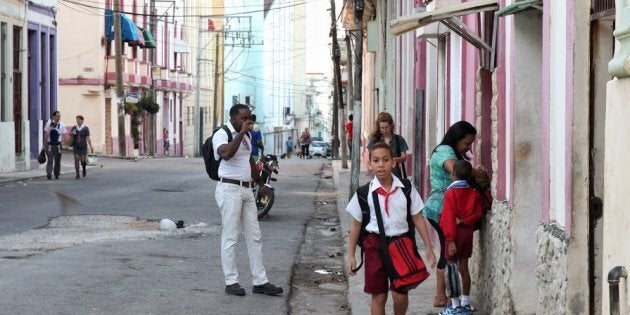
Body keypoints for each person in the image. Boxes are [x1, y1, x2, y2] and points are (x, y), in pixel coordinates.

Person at [346, 142, 437, 315]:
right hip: (374, 245)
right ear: (370, 164)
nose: (381, 164)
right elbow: (356, 223)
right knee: (379, 297)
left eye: (385, 160)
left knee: (400, 295)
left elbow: (417, 217)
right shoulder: (364, 193)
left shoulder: (406, 189)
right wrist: (351, 255)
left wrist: (428, 247)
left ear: (393, 162)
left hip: (401, 244)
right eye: (376, 160)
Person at [212, 104, 283, 297]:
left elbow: (249, 161)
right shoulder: (222, 134)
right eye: (244, 119)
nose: (248, 122)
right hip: (229, 189)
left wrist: (261, 183)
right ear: (233, 118)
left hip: (246, 190)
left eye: (249, 118)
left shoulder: (247, 136)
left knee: (255, 236)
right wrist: (240, 133)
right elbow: (226, 154)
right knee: (230, 237)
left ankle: (260, 281)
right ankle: (231, 281)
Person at [422, 120, 488, 308]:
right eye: (466, 143)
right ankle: (440, 295)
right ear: (456, 138)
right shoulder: (445, 152)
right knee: (446, 251)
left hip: (448, 208)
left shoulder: (453, 151)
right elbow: (455, 169)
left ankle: (447, 296)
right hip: (441, 208)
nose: (468, 147)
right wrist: (477, 173)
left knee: (450, 252)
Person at [438, 160, 484, 315]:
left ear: (453, 174)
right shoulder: (474, 193)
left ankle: (455, 304)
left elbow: (448, 218)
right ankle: (465, 301)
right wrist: (465, 221)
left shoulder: (450, 193)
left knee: (451, 268)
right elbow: (478, 214)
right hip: (467, 233)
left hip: (454, 234)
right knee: (464, 267)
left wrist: (450, 240)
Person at [367, 112, 410, 179]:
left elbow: (404, 157)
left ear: (391, 126)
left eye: (386, 127)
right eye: (382, 128)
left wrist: (393, 160)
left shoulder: (399, 139)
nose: (384, 130)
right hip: (379, 176)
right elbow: (369, 157)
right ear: (379, 127)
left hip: (396, 176)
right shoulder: (375, 140)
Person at [43, 111, 66, 180]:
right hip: (50, 144)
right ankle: (49, 173)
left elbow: (63, 134)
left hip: (58, 144)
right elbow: (46, 134)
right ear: (53, 116)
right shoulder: (48, 124)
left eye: (59, 116)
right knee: (50, 159)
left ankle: (56, 173)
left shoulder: (61, 124)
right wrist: (44, 145)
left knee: (57, 160)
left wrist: (64, 143)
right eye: (57, 116)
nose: (58, 117)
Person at [69, 115, 94, 180]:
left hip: (83, 146)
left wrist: (91, 146)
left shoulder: (86, 128)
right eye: (77, 119)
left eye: (79, 119)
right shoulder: (74, 127)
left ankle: (83, 168)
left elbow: (88, 138)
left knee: (83, 160)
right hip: (76, 146)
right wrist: (72, 133)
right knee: (76, 159)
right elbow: (70, 135)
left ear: (82, 120)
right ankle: (77, 174)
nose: (77, 121)